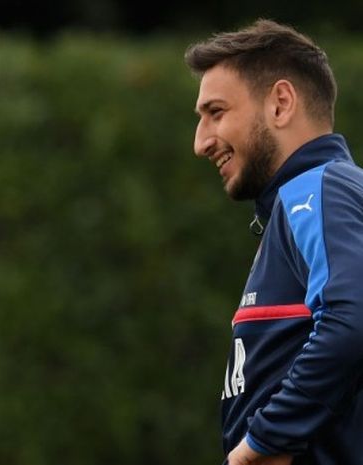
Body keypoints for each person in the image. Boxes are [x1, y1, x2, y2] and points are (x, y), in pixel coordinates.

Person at [186, 19, 363, 465]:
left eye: (217, 112)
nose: (200, 142)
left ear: (281, 104)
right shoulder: (307, 202)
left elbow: (355, 314)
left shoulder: (316, 189)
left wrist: (260, 444)